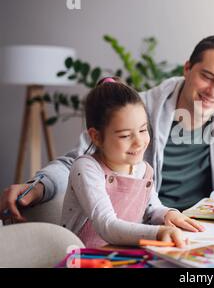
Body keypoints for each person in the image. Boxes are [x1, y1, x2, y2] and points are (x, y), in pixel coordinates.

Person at [0, 35, 214, 228]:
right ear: (187, 69)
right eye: (207, 77)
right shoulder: (140, 110)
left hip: (198, 232)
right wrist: (39, 185)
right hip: (142, 228)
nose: (213, 92)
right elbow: (77, 162)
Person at [62, 77, 203, 248]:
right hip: (85, 258)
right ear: (96, 137)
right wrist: (157, 232)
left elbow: (152, 209)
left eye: (143, 130)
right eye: (125, 135)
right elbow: (106, 225)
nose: (139, 142)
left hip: (125, 255)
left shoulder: (143, 169)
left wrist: (169, 214)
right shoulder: (87, 168)